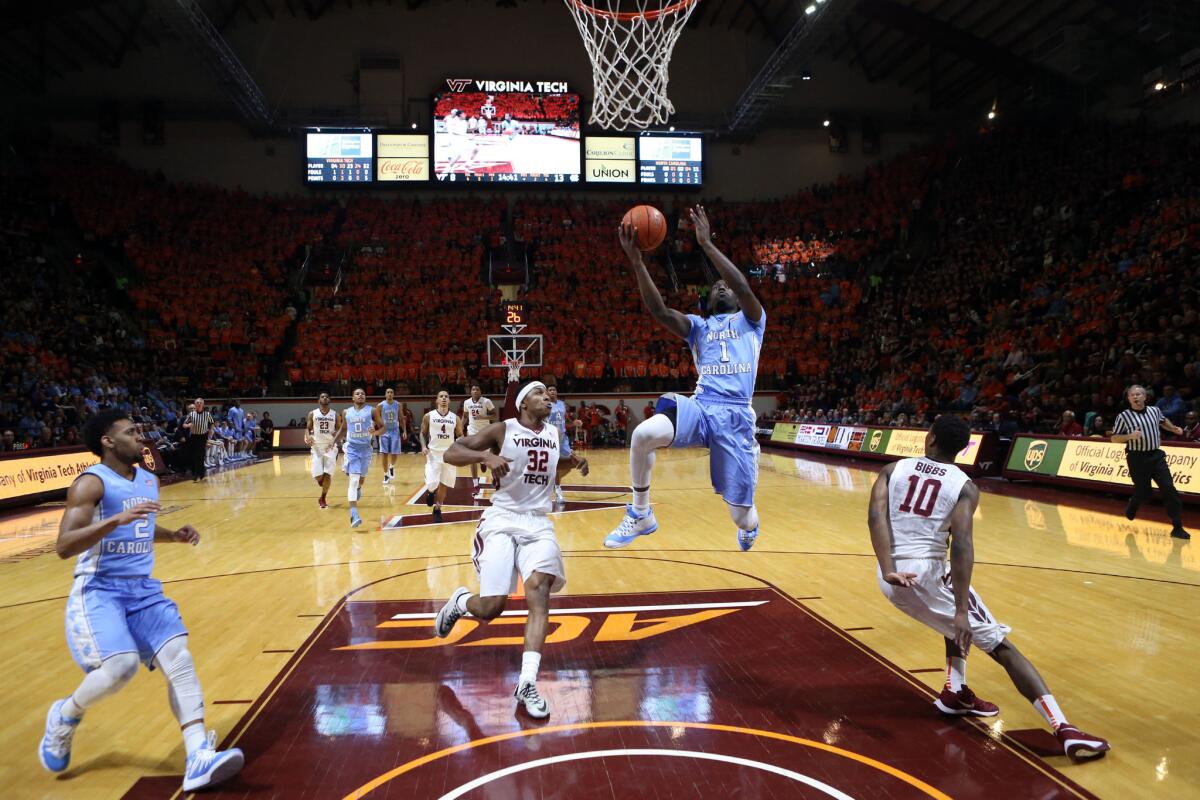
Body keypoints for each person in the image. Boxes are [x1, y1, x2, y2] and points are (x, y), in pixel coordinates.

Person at [868, 415, 1110, 760]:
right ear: (964, 448)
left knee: (951, 617)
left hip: (890, 576)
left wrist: (890, 569)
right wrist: (964, 609)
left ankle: (955, 691)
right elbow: (962, 545)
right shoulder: (964, 486)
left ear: (930, 437)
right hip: (929, 574)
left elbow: (875, 517)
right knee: (1001, 646)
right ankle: (1065, 730)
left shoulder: (893, 469)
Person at [38, 410, 244, 790]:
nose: (141, 437)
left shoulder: (148, 479)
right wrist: (114, 520)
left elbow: (142, 528)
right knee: (120, 668)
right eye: (131, 432)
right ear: (108, 441)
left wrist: (172, 536)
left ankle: (198, 755)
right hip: (100, 589)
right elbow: (64, 546)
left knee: (179, 657)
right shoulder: (90, 484)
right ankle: (65, 715)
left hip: (143, 589)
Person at [605, 206, 766, 551]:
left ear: (739, 298)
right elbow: (659, 311)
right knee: (643, 434)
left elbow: (741, 283)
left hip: (736, 417)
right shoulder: (699, 326)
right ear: (707, 300)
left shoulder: (752, 320)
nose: (723, 287)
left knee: (741, 515)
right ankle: (641, 512)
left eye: (728, 287)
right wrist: (637, 262)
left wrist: (706, 245)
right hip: (702, 405)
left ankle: (750, 523)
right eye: (716, 287)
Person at [433, 382, 589, 718]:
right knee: (491, 608)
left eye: (547, 395)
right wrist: (484, 455)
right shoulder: (503, 429)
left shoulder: (552, 434)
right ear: (523, 404)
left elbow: (546, 472)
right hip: (502, 519)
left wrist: (571, 463)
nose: (546, 397)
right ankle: (460, 601)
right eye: (539, 394)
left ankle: (527, 682)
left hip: (537, 522)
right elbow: (451, 452)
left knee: (540, 588)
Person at [1112, 385, 1189, 539]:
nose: (1136, 397)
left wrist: (1174, 429)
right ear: (1128, 398)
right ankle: (1134, 502)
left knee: (1169, 488)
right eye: (1132, 395)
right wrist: (1129, 436)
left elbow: (1163, 421)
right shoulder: (1123, 416)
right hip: (1137, 458)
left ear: (1145, 397)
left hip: (1156, 456)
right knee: (1145, 493)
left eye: (1139, 394)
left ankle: (1177, 526)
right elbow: (1114, 438)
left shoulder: (1155, 411)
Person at [343, 388, 385, 529]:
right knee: (353, 480)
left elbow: (384, 428)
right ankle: (354, 514)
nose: (360, 395)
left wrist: (376, 432)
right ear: (352, 397)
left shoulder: (372, 411)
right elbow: (343, 429)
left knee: (361, 479)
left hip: (366, 449)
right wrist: (332, 442)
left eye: (363, 393)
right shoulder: (346, 412)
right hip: (352, 448)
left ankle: (359, 487)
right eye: (357, 393)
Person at [420, 390, 463, 523]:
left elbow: (460, 435)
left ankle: (438, 509)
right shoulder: (429, 416)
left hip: (449, 455)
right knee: (433, 484)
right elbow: (422, 433)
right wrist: (423, 446)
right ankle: (431, 492)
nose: (444, 398)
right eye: (441, 396)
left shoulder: (455, 418)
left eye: (446, 396)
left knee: (444, 484)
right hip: (434, 454)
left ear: (449, 400)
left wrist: (459, 447)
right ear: (437, 400)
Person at [306, 392, 343, 509]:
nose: (325, 398)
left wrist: (336, 434)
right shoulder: (312, 413)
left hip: (330, 447)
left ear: (329, 400)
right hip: (317, 447)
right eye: (322, 396)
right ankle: (322, 482)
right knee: (317, 476)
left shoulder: (335, 415)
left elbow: (340, 430)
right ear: (319, 400)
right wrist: (308, 436)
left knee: (328, 475)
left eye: (327, 396)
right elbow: (308, 429)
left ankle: (323, 497)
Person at [461, 384, 497, 486]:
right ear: (470, 392)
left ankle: (483, 463)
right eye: (473, 389)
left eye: (477, 389)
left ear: (480, 391)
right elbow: (464, 416)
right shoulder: (467, 402)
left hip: (485, 432)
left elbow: (495, 415)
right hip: (472, 432)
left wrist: (483, 417)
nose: (475, 391)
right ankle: (475, 484)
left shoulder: (486, 401)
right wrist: (459, 427)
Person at [546, 384, 572, 504]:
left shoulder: (562, 404)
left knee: (570, 463)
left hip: (563, 437)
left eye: (554, 390)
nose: (552, 391)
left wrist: (574, 422)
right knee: (556, 465)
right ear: (546, 392)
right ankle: (557, 490)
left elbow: (565, 419)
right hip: (551, 438)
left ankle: (555, 480)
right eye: (549, 390)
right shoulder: (545, 404)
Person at [181, 398, 213, 482]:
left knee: (201, 455)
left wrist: (209, 436)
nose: (198, 404)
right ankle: (197, 474)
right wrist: (188, 426)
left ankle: (200, 473)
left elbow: (211, 425)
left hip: (203, 436)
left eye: (200, 402)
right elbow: (183, 425)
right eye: (197, 402)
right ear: (195, 404)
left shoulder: (207, 414)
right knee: (195, 456)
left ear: (203, 404)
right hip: (194, 436)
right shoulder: (191, 414)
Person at [378, 388, 403, 484]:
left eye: (391, 392)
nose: (389, 394)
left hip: (395, 430)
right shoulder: (380, 405)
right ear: (385, 394)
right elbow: (376, 418)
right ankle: (385, 475)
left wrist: (404, 430)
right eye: (388, 392)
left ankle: (391, 466)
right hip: (384, 431)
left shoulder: (398, 405)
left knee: (394, 453)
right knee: (384, 453)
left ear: (393, 394)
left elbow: (401, 418)